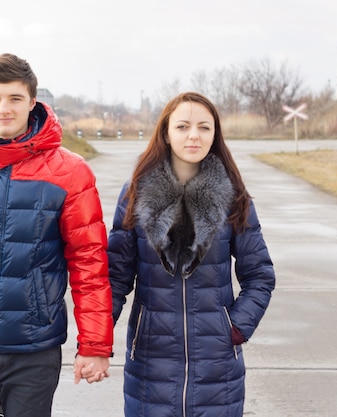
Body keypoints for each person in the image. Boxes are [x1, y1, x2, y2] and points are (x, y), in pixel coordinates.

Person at [0, 53, 113, 417]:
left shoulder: (70, 173)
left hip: (32, 349)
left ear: (32, 102)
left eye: (15, 98)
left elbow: (89, 265)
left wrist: (94, 344)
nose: (4, 108)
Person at [107, 92, 276, 417]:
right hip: (150, 361)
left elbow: (259, 276)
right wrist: (98, 339)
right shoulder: (135, 194)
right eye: (183, 126)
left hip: (218, 366)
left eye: (204, 127)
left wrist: (234, 328)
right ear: (166, 134)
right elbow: (116, 277)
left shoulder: (234, 196)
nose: (194, 135)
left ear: (215, 135)